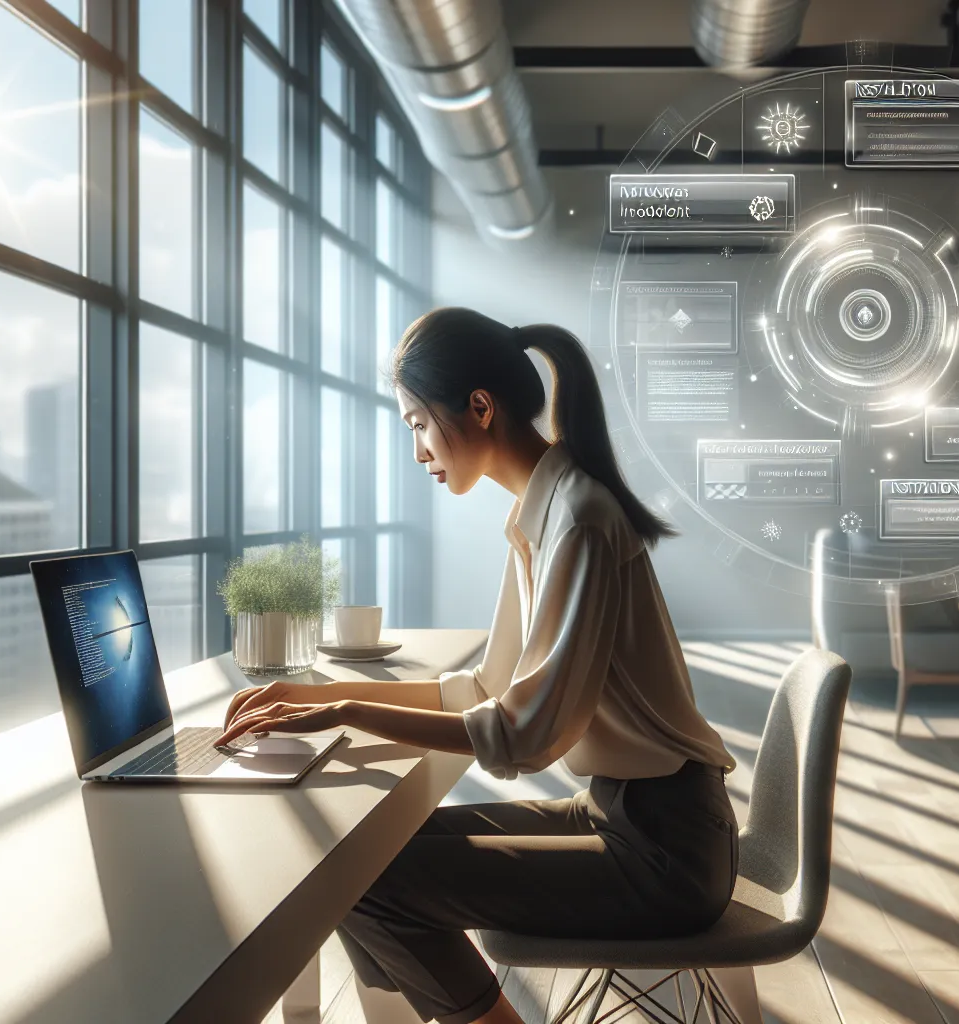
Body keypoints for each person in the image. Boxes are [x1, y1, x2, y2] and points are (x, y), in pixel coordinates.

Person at [215, 307, 737, 1024]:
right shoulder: (544, 510)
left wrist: (344, 712)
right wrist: (317, 691)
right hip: (623, 815)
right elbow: (486, 688)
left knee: (357, 878)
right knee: (363, 851)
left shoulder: (578, 517)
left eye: (418, 425)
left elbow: (525, 732)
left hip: (664, 852)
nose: (420, 449)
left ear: (480, 408)